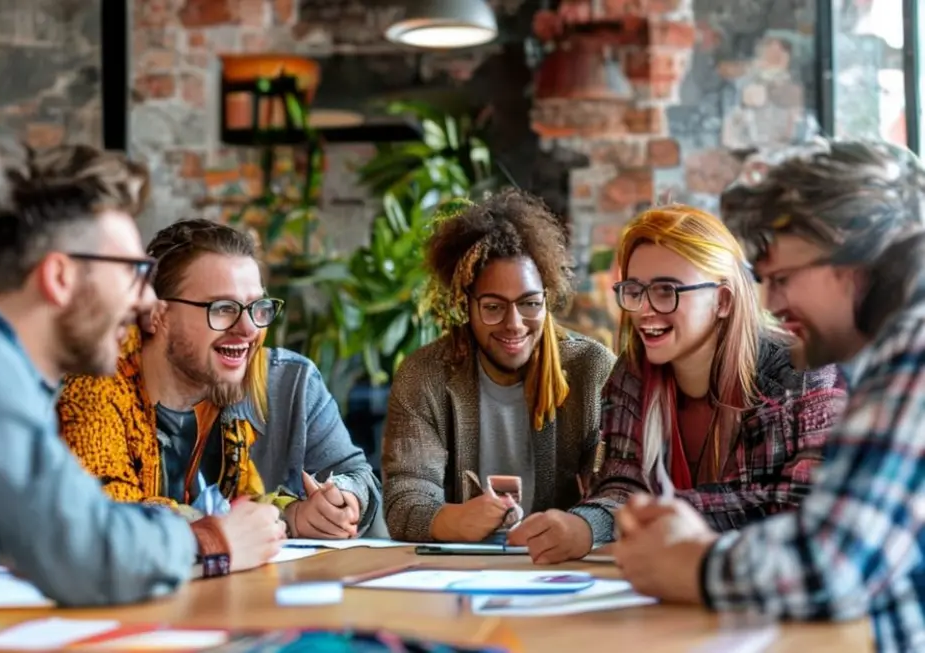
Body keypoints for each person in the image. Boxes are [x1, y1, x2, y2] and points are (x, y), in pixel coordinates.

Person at [0, 141, 285, 629]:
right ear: (60, 277)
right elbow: (87, 552)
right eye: (132, 272)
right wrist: (214, 541)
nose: (149, 301)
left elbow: (55, 530)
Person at [611, 139, 925, 652]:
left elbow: (832, 564)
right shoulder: (883, 359)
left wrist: (690, 562)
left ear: (856, 252)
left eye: (782, 279)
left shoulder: (914, 351)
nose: (773, 303)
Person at [554, 205, 846, 561]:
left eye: (665, 290)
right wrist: (586, 524)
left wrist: (662, 512)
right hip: (663, 584)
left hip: (763, 589)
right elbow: (623, 483)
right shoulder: (631, 375)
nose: (645, 309)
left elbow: (797, 504)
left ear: (722, 300)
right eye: (634, 290)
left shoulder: (804, 373)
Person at [58, 218, 381, 539]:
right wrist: (268, 521)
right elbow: (108, 518)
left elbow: (359, 478)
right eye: (223, 308)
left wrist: (341, 498)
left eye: (257, 307)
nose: (250, 329)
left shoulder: (290, 382)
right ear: (157, 314)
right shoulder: (95, 383)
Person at [382, 188, 617, 557]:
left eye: (529, 304)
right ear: (466, 304)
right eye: (493, 307)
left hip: (559, 569)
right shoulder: (425, 376)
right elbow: (404, 498)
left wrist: (584, 525)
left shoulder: (591, 369)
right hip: (456, 577)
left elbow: (620, 491)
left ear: (547, 298)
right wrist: (454, 520)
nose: (514, 324)